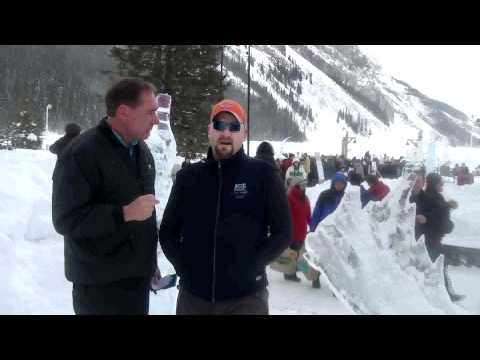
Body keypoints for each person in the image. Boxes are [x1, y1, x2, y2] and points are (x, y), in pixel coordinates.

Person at [159, 99, 291, 315]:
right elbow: (167, 233)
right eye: (219, 125)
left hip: (246, 299)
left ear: (244, 134)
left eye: (234, 127)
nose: (226, 133)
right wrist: (184, 267)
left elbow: (283, 231)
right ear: (209, 130)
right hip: (194, 298)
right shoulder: (188, 178)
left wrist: (253, 266)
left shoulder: (263, 175)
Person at [52, 78, 161, 315]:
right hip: (99, 286)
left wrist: (149, 262)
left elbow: (144, 216)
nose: (156, 119)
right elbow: (66, 219)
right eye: (151, 112)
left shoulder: (142, 151)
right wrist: (124, 213)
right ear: (123, 112)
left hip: (136, 281)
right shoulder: (81, 153)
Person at [412, 173, 464, 302]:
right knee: (436, 267)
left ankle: (445, 294)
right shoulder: (427, 197)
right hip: (430, 239)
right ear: (434, 184)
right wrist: (429, 218)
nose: (443, 185)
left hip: (433, 238)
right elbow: (427, 215)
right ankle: (444, 295)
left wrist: (447, 206)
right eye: (441, 183)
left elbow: (436, 213)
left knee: (438, 266)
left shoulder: (436, 196)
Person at [284, 178, 311, 284]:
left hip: (302, 230)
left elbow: (308, 214)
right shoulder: (290, 197)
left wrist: (312, 225)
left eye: (305, 184)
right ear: (297, 185)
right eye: (302, 184)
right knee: (292, 252)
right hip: (292, 231)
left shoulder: (305, 198)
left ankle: (291, 271)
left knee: (297, 252)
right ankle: (289, 273)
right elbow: (286, 215)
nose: (304, 186)